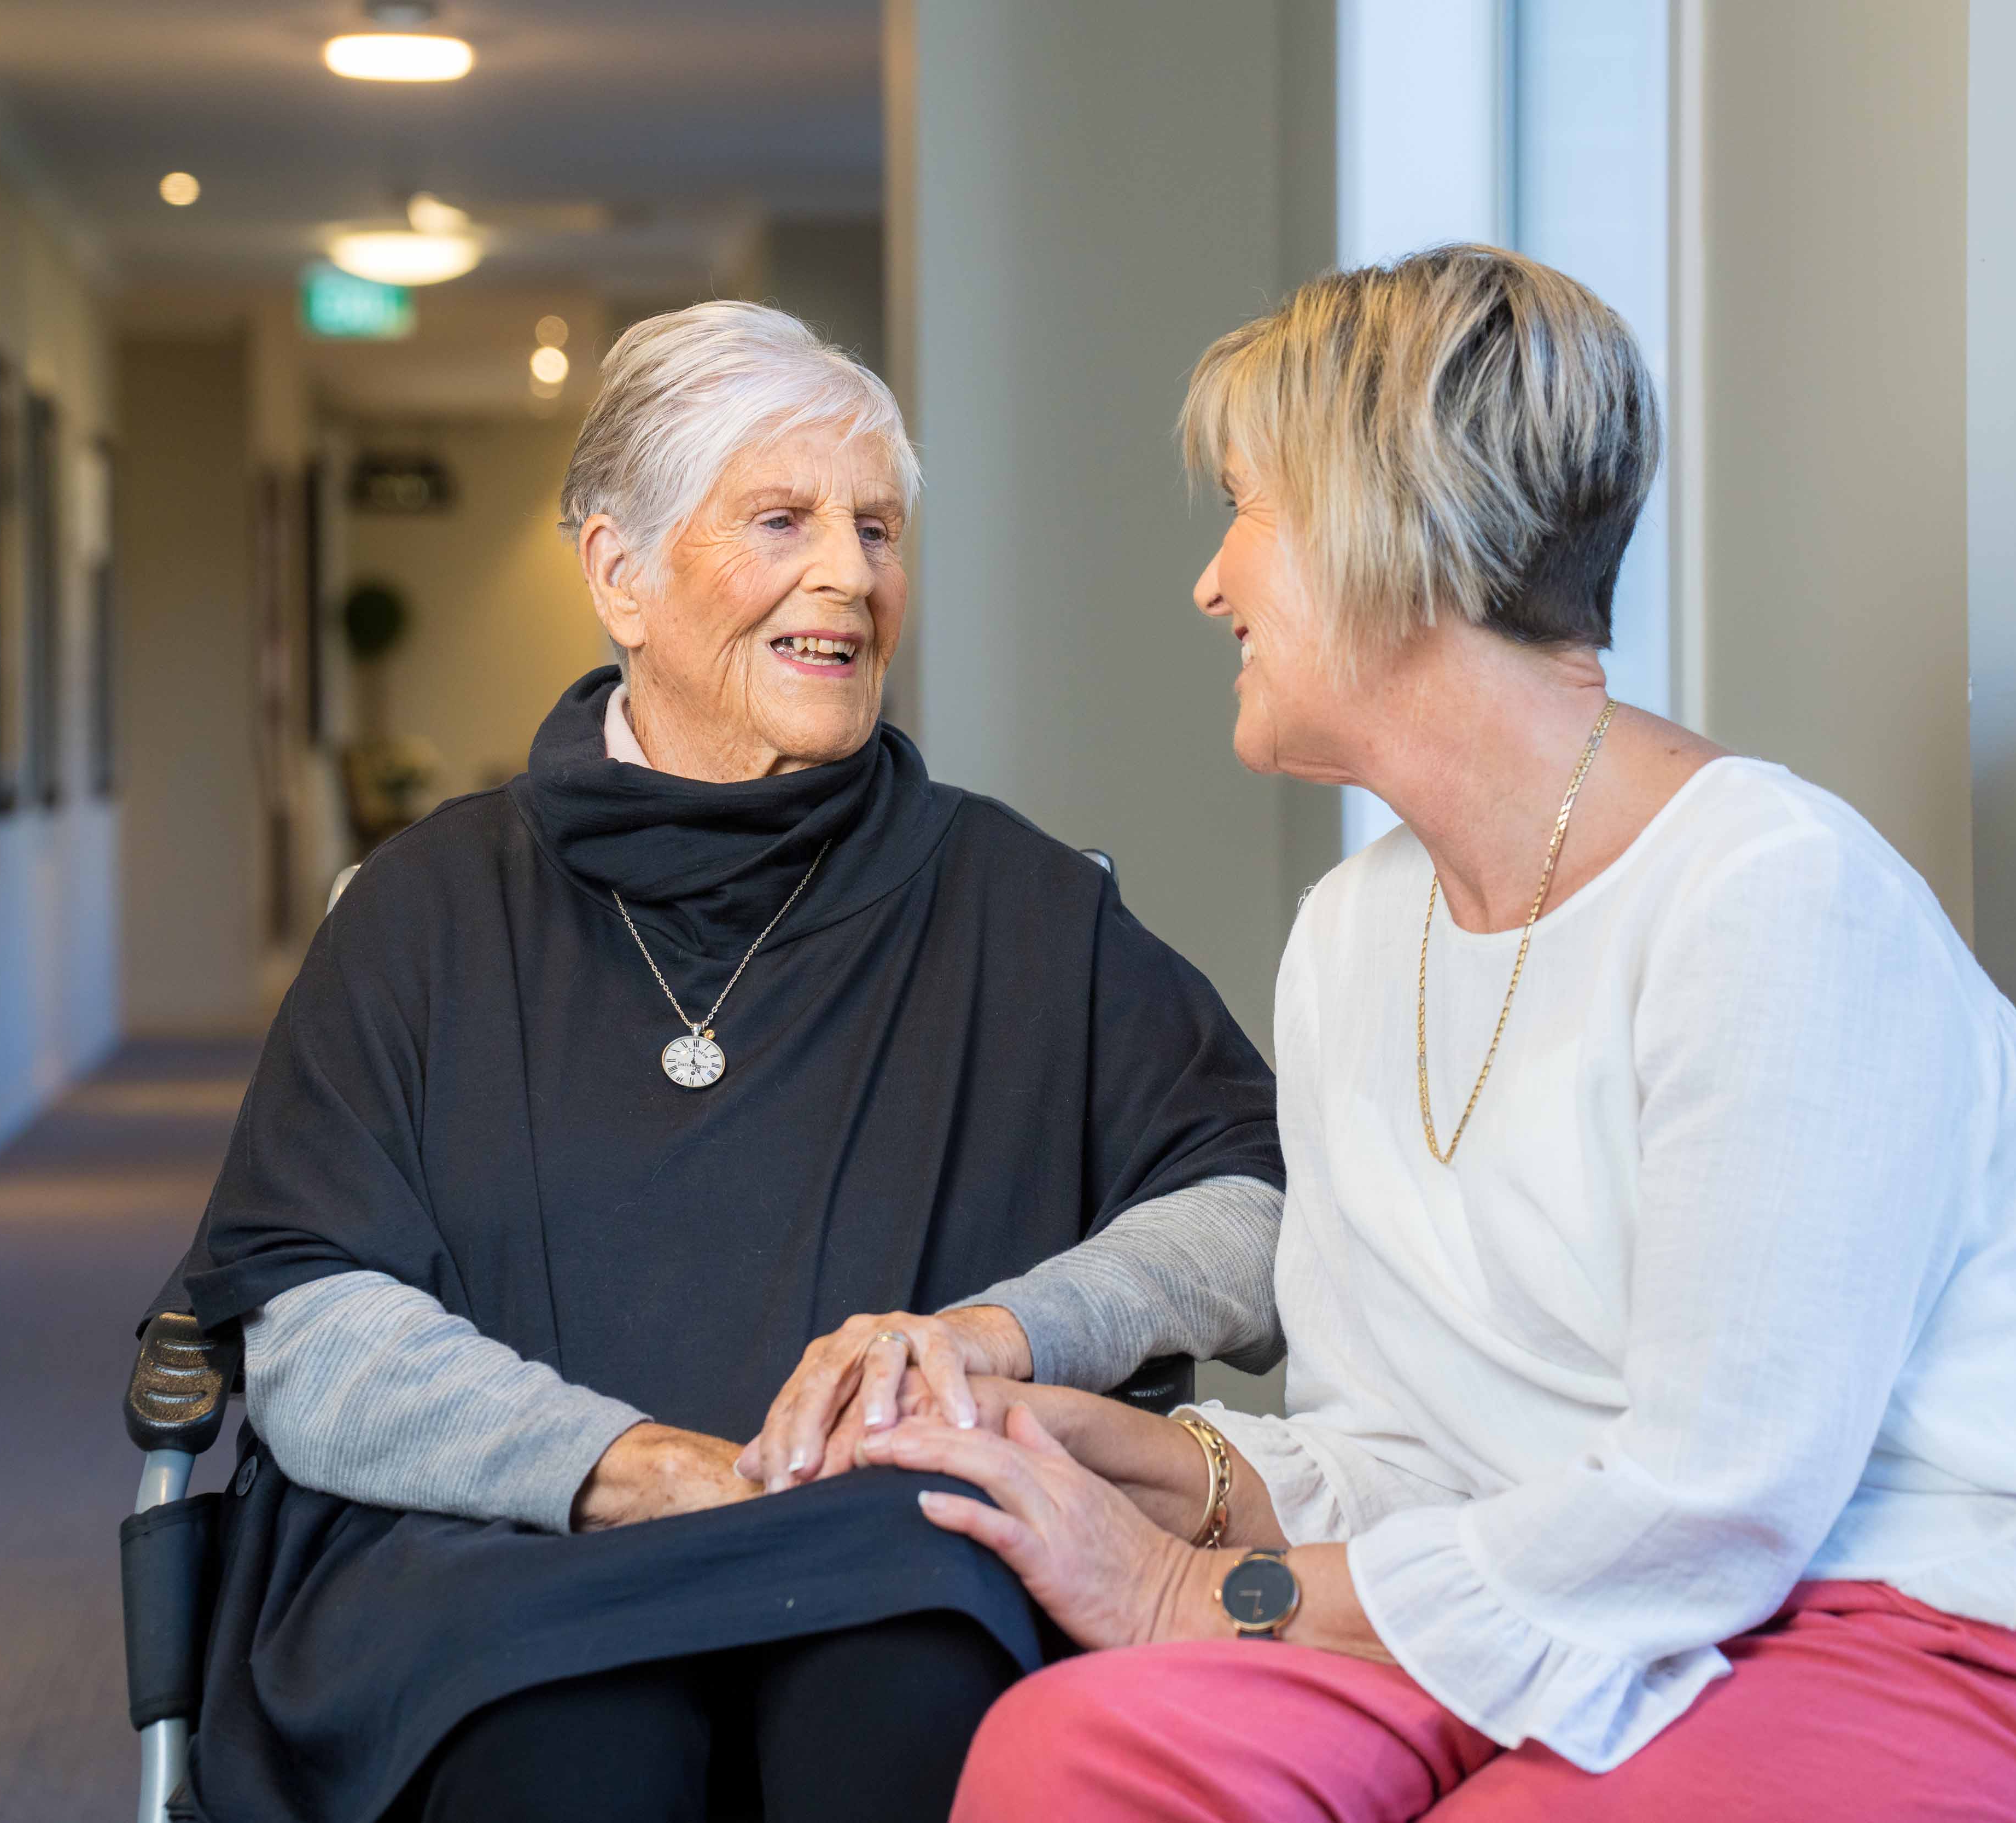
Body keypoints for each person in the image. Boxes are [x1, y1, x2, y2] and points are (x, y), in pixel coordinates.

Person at [846, 246, 2016, 1821]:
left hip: (1942, 1605)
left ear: (1392, 528)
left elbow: (1718, 1507)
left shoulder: (1774, 895)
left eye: (1248, 508)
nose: (1212, 581)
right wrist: (1171, 1474)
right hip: (1573, 1592)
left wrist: (1183, 1594)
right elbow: (1419, 1453)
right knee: (1074, 1753)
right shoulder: (1349, 938)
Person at [147, 300, 1286, 1823]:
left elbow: (1246, 1220)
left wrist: (1000, 1336)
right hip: (498, 1553)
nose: (849, 576)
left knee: (908, 1699)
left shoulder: (1022, 906)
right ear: (619, 573)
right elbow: (308, 1327)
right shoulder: (422, 910)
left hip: (892, 1543)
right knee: (563, 1754)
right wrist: (631, 1463)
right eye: (782, 519)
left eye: (877, 529)